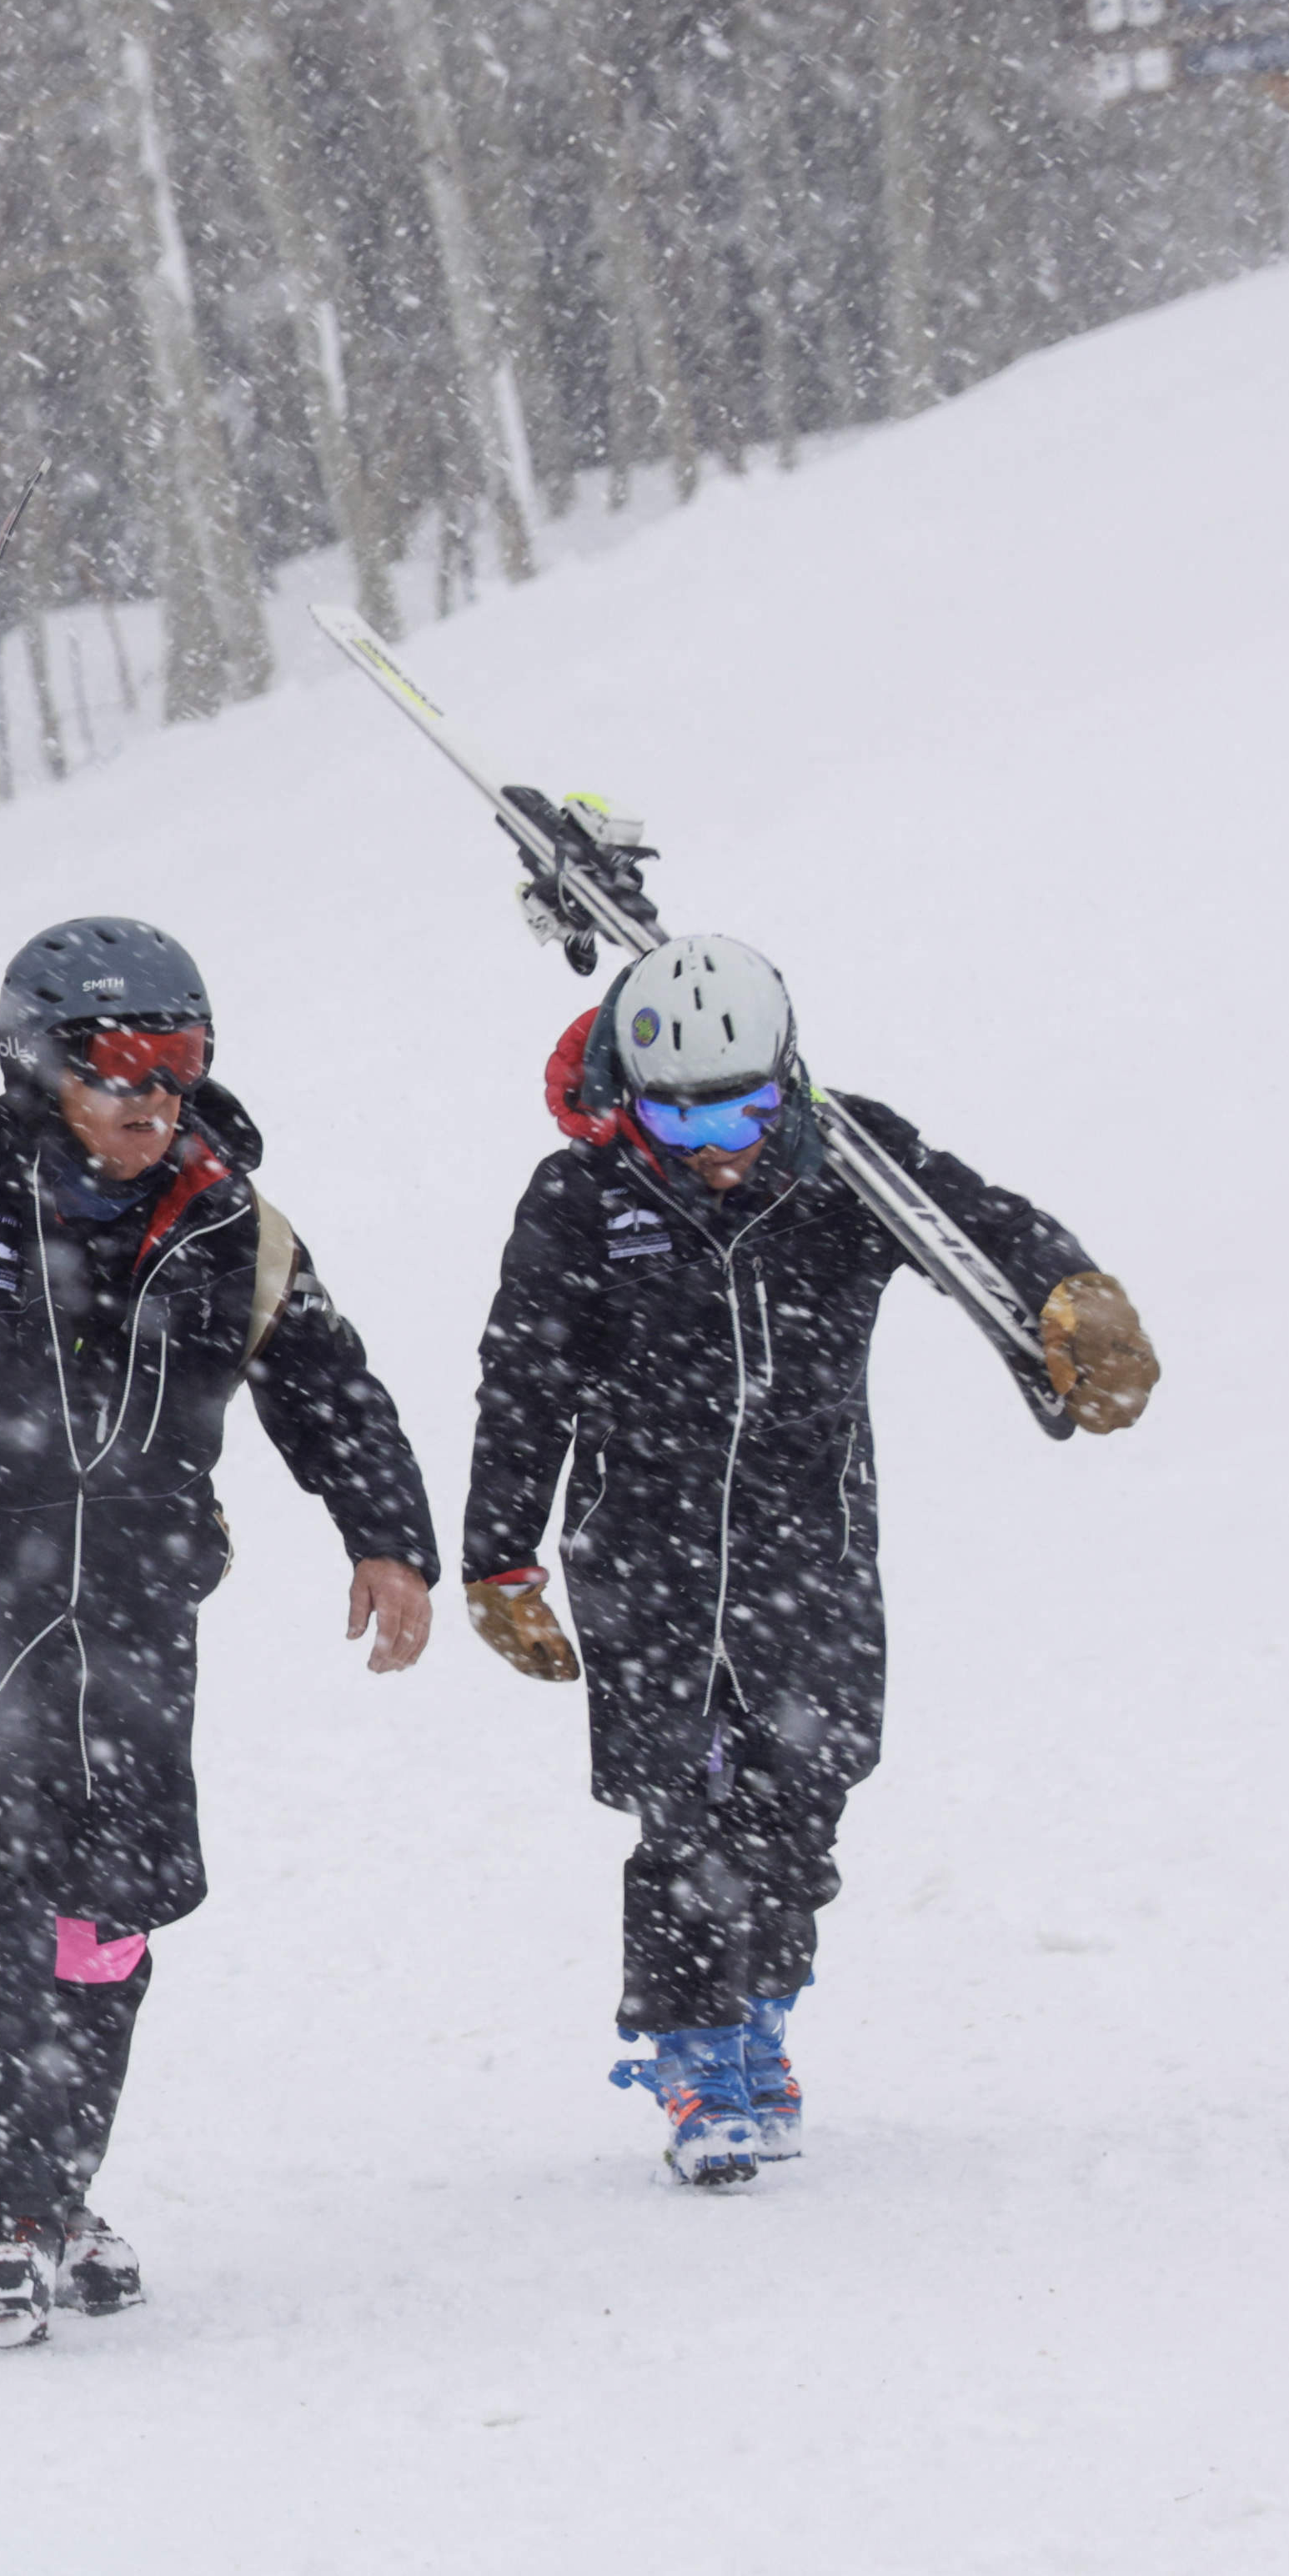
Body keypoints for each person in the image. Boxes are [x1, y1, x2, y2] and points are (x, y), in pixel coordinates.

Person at [0, 920, 434, 2341]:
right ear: (40, 1063)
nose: (149, 1097)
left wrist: (387, 1538)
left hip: (129, 1624)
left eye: (176, 1065)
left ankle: (58, 2186)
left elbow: (327, 1387)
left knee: (102, 1926)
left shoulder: (232, 1224)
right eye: (118, 1065)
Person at [457, 935, 1151, 2183]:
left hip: (809, 1545)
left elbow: (979, 1224)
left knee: (800, 1801)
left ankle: (760, 2005)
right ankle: (692, 2053)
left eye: (750, 1107)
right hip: (644, 1556)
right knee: (685, 1812)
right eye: (683, 1118)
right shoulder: (579, 1200)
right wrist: (497, 1563)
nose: (720, 1146)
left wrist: (1071, 1290)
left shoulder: (851, 1163)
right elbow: (522, 1388)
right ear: (633, 1092)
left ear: (789, 1080)